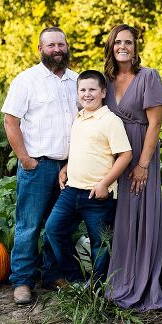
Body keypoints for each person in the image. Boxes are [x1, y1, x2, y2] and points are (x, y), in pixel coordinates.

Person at [1, 26, 78, 304]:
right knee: (29, 225)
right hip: (38, 165)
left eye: (61, 44)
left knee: (60, 225)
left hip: (69, 168)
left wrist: (74, 163)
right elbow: (11, 121)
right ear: (40, 49)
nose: (57, 50)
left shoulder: (76, 81)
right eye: (51, 45)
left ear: (67, 46)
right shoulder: (27, 80)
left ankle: (53, 274)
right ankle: (22, 281)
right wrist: (25, 159)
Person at [103, 24, 162, 310]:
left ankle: (140, 283)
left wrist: (143, 164)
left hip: (140, 155)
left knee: (139, 216)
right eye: (118, 42)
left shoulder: (148, 77)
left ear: (135, 47)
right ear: (110, 46)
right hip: (113, 156)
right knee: (117, 217)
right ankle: (116, 278)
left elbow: (155, 124)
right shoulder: (104, 81)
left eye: (128, 43)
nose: (123, 47)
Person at [44, 70, 133, 286]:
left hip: (98, 195)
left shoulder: (110, 120)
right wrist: (66, 166)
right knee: (53, 229)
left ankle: (99, 287)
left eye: (92, 89)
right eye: (82, 90)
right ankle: (74, 279)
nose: (87, 94)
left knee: (100, 244)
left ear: (103, 92)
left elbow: (125, 154)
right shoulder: (79, 117)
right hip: (72, 190)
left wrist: (104, 184)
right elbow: (84, 149)